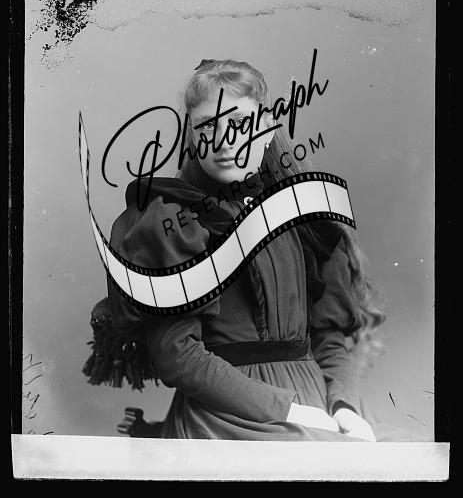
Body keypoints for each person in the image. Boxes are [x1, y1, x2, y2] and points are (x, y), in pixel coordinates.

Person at [83, 59, 422, 442]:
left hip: (314, 407)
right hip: (226, 417)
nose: (224, 141)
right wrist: (288, 411)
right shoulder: (175, 224)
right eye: (207, 126)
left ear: (267, 129)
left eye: (240, 123)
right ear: (192, 136)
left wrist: (342, 406)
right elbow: (178, 357)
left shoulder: (303, 218)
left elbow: (327, 340)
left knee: (402, 455)